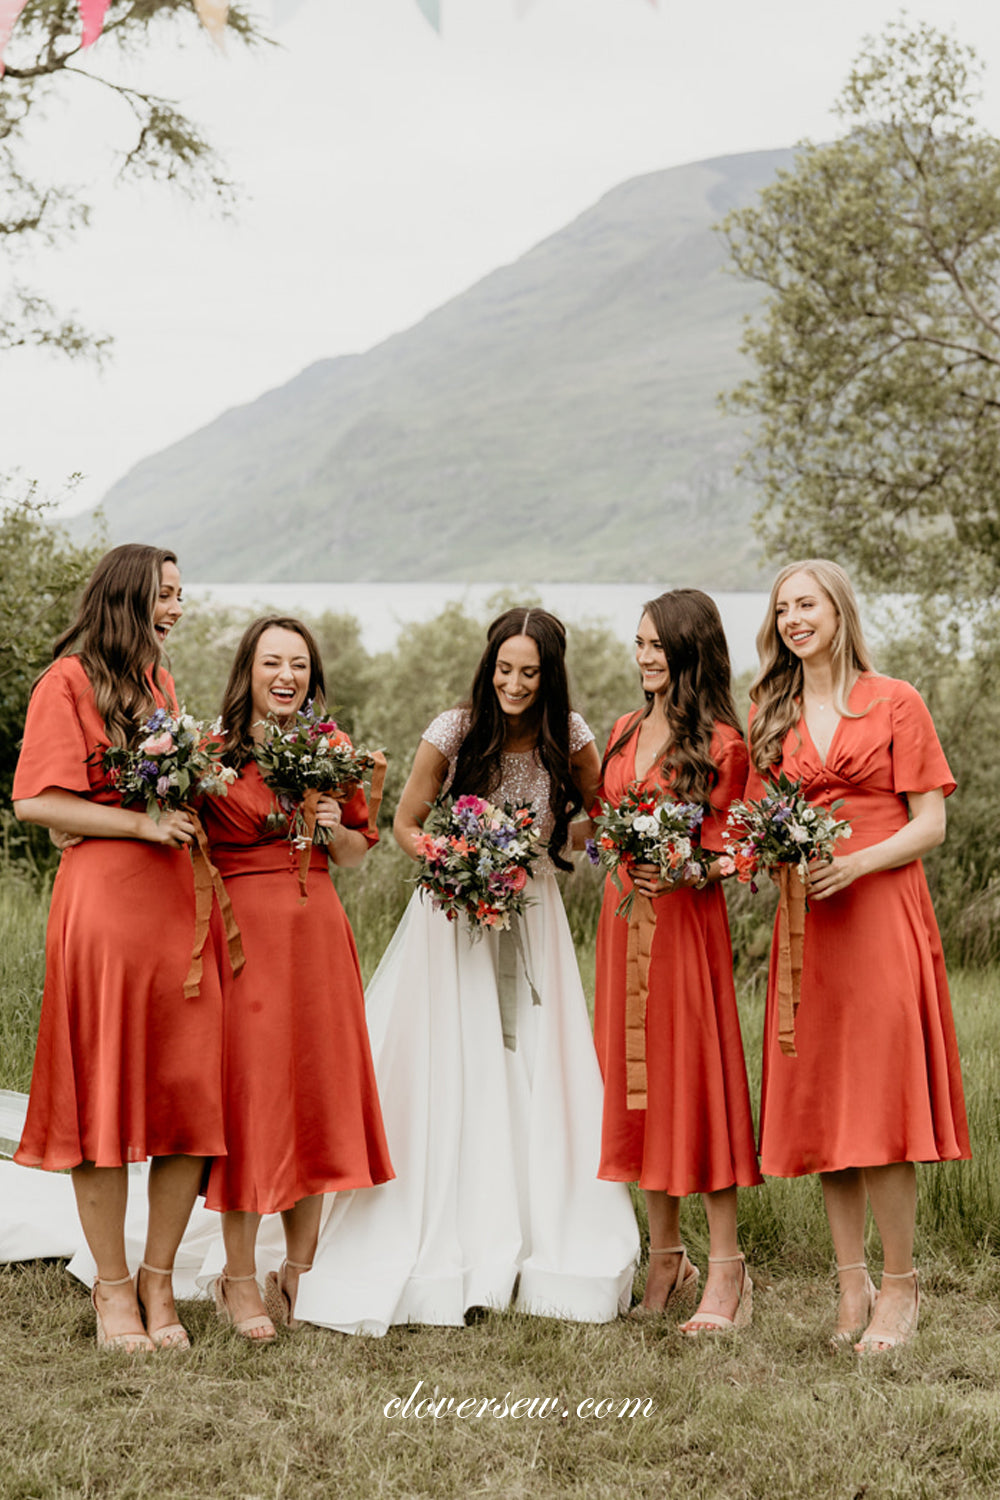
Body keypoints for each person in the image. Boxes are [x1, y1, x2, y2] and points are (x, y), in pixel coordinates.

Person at [289, 607, 639, 1333]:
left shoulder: (570, 737)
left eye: (529, 672)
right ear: (490, 666)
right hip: (451, 913)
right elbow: (405, 826)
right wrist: (457, 857)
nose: (513, 683)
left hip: (531, 912)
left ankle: (536, 1219)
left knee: (532, 1058)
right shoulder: (452, 729)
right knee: (455, 1056)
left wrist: (537, 845)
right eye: (504, 669)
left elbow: (600, 816)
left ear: (550, 676)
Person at [748, 559, 969, 1352]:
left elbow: (930, 823)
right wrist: (768, 858)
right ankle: (851, 1286)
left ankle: (902, 1289)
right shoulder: (769, 709)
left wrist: (859, 863)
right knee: (822, 1101)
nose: (793, 620)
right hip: (807, 924)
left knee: (880, 1099)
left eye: (806, 605)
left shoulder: (895, 700)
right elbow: (755, 819)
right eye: (782, 610)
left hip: (879, 913)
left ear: (839, 611)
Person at [12, 544, 226, 1353]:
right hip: (104, 908)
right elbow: (38, 799)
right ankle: (110, 1289)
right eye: (165, 594)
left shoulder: (159, 683)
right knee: (102, 1093)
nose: (177, 607)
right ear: (128, 598)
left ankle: (158, 1278)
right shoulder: (66, 681)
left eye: (181, 594)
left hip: (175, 906)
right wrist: (140, 822)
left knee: (184, 1091)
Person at [198, 616, 393, 1342]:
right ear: (247, 668)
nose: (287, 676)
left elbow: (351, 855)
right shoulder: (212, 753)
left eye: (300, 665)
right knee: (255, 1100)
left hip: (317, 940)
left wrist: (334, 820)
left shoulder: (331, 748)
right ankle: (237, 1276)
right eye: (273, 662)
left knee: (312, 1091)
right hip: (245, 939)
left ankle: (301, 1270)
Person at [593, 590, 761, 1333]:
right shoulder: (624, 728)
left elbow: (743, 845)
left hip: (685, 931)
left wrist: (695, 868)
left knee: (697, 1083)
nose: (645, 657)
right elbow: (605, 822)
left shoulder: (725, 743)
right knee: (638, 1089)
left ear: (692, 650)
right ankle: (665, 1257)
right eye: (638, 643)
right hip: (622, 925)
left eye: (658, 645)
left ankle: (728, 1269)